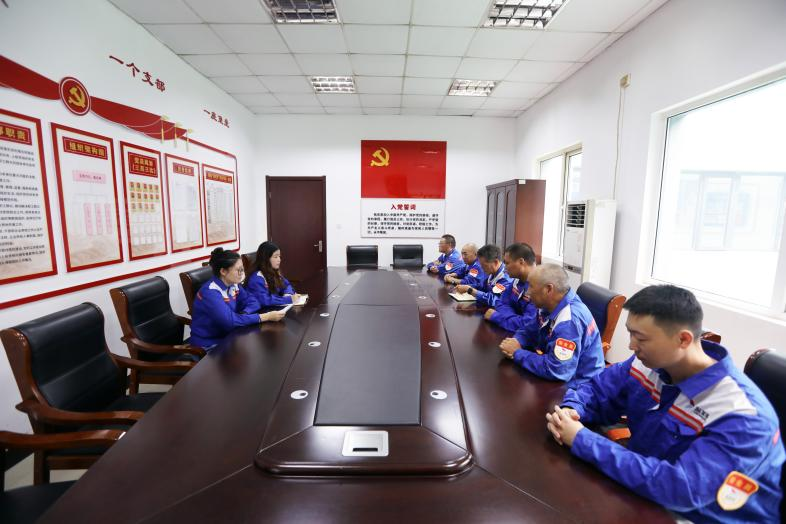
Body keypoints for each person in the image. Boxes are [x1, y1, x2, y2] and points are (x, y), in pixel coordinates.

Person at [545, 285, 784, 523]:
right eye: (630, 334)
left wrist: (582, 439)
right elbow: (597, 391)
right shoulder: (647, 364)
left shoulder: (743, 416)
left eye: (640, 338)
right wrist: (572, 410)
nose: (631, 345)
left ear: (683, 339)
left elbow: (681, 488)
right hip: (643, 492)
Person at [499, 264, 603, 387]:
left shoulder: (569, 321)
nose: (528, 292)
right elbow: (529, 330)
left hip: (580, 386)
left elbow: (557, 369)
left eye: (531, 286)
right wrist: (517, 341)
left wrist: (517, 353)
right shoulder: (549, 304)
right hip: (561, 374)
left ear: (548, 289)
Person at [190, 247, 284, 350]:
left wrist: (244, 314)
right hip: (209, 345)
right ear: (223, 271)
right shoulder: (210, 293)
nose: (242, 273)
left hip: (230, 335)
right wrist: (265, 317)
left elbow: (253, 302)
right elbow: (230, 322)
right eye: (238, 270)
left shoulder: (233, 284)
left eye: (242, 269)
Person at [484, 243, 538, 332]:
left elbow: (527, 326)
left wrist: (497, 317)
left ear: (521, 262)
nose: (505, 268)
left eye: (507, 263)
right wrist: (513, 318)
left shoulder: (539, 287)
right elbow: (501, 302)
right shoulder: (517, 280)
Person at [246, 241, 302, 307]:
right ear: (266, 259)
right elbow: (266, 300)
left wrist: (288, 294)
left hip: (275, 308)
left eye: (279, 256)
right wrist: (288, 299)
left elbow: (286, 285)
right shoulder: (256, 279)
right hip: (263, 311)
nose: (279, 260)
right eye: (275, 257)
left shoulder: (273, 271)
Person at [455, 244, 511, 308]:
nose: (482, 268)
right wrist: (467, 287)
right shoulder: (492, 272)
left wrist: (470, 290)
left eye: (484, 265)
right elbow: (482, 287)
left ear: (495, 262)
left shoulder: (505, 277)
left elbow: (494, 300)